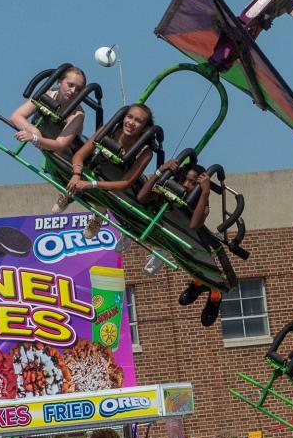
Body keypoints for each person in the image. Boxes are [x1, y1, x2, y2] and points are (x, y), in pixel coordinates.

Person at [138, 160, 229, 326]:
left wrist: (204, 193)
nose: (186, 185)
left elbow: (194, 224)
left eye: (193, 183)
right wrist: (161, 171)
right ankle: (198, 283)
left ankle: (214, 296)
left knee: (204, 264)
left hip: (192, 243)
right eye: (184, 180)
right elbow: (142, 197)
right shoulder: (167, 191)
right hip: (167, 237)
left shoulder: (201, 205)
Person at [66, 103, 156, 238]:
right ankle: (68, 193)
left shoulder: (146, 151)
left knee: (115, 188)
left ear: (145, 128)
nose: (131, 123)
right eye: (129, 117)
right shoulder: (109, 130)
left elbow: (125, 183)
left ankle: (99, 215)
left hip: (121, 184)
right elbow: (80, 155)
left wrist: (92, 184)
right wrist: (76, 175)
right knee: (77, 165)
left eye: (138, 121)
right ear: (123, 117)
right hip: (99, 168)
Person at [11, 65, 87, 155]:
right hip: (45, 148)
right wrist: (34, 131)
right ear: (59, 82)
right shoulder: (47, 93)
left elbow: (60, 145)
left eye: (78, 89)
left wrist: (36, 139)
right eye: (70, 85)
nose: (73, 91)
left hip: (64, 158)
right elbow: (15, 117)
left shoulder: (77, 115)